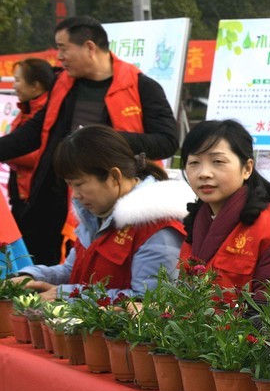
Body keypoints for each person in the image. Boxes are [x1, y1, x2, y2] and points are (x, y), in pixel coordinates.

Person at [0, 16, 178, 265]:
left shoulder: (141, 87)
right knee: (40, 272)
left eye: (63, 48)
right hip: (52, 204)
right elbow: (34, 132)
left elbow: (167, 141)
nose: (59, 57)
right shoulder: (62, 85)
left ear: (89, 47)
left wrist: (106, 140)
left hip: (109, 208)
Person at [15, 125, 190, 299]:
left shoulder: (157, 227)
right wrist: (32, 277)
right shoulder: (95, 214)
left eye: (79, 184)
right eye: (70, 185)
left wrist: (66, 294)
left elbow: (147, 300)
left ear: (114, 176)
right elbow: (72, 270)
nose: (75, 195)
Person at [179, 120, 270, 299]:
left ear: (247, 169)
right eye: (194, 162)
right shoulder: (196, 222)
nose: (204, 173)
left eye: (218, 161)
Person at [6, 58, 56, 206]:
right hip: (19, 192)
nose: (14, 86)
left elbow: (41, 155)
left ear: (35, 86)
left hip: (36, 197)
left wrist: (7, 154)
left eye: (17, 80)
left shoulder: (48, 114)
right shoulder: (25, 109)